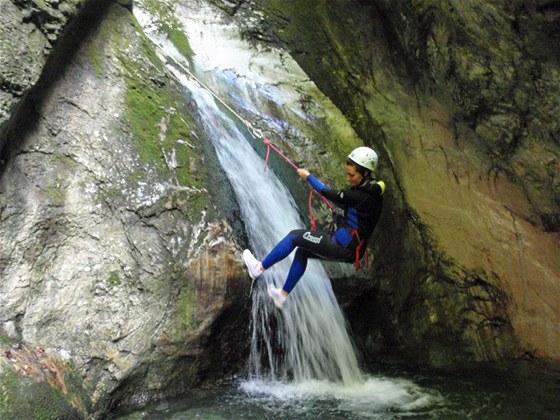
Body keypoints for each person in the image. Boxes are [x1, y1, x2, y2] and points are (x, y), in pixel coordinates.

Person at [243, 146, 385, 309]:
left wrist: (308, 177)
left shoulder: (359, 195)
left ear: (366, 173)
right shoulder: (374, 191)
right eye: (347, 173)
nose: (348, 178)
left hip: (342, 246)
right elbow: (343, 202)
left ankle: (258, 268)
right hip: (352, 250)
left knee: (294, 237)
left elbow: (329, 193)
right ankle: (282, 296)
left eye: (351, 175)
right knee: (302, 251)